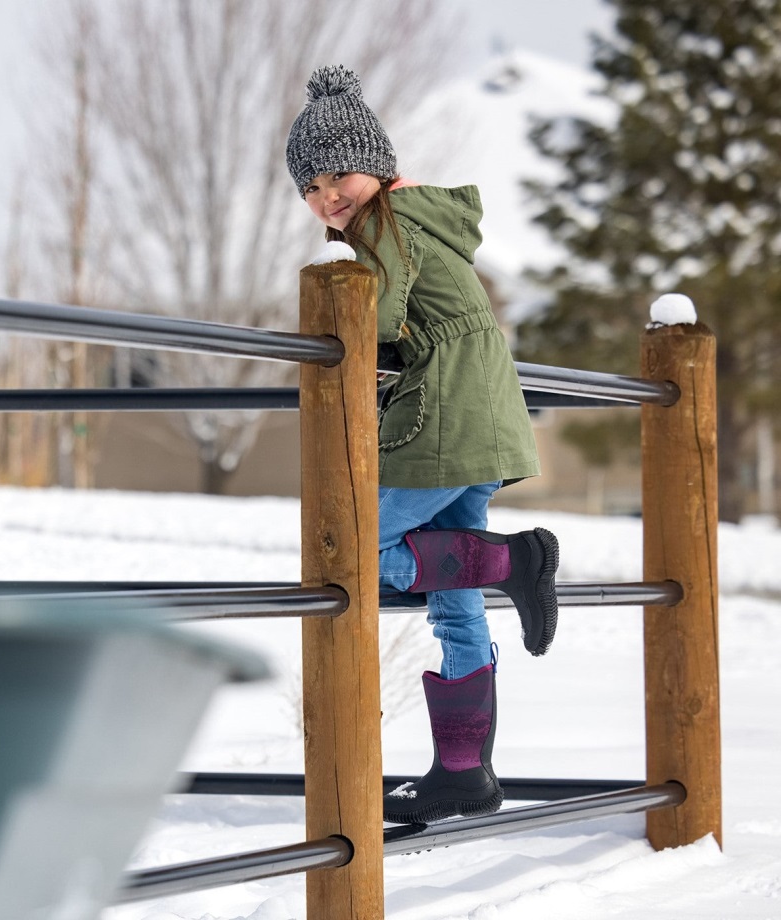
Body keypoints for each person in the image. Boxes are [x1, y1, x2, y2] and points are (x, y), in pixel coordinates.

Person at [286, 65, 561, 824]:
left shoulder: (385, 228)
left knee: (352, 550)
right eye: (309, 188)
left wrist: (322, 338)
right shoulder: (419, 217)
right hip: (478, 407)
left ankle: (516, 560)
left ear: (374, 165)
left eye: (338, 174)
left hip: (443, 414)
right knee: (451, 600)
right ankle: (464, 772)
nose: (326, 196)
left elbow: (372, 321)